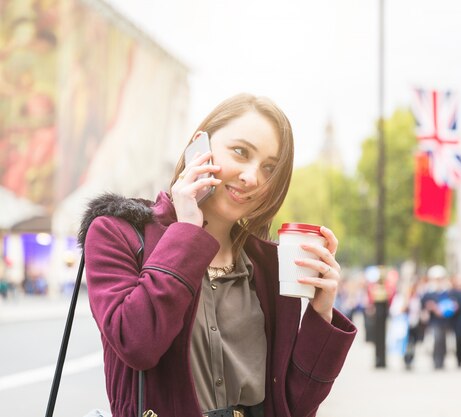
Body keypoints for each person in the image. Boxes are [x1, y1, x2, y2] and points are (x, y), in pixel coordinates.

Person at [78, 93, 357, 417]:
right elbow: (137, 343)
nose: (252, 177)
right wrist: (187, 232)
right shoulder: (117, 233)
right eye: (241, 152)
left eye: (269, 168)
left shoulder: (269, 267)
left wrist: (320, 313)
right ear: (200, 146)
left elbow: (293, 407)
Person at [421, 265, 456, 370]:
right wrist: (431, 307)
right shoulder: (428, 292)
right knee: (437, 339)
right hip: (434, 321)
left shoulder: (448, 291)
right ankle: (436, 361)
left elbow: (453, 303)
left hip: (445, 320)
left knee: (444, 341)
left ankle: (442, 360)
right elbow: (423, 304)